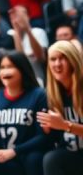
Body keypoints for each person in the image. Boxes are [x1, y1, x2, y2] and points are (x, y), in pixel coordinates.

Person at [36, 41, 83, 174]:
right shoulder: (50, 94)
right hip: (73, 156)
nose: (57, 64)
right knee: (50, 158)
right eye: (53, 59)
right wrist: (48, 130)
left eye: (63, 58)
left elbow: (64, 126)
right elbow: (55, 140)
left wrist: (65, 125)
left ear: (73, 60)